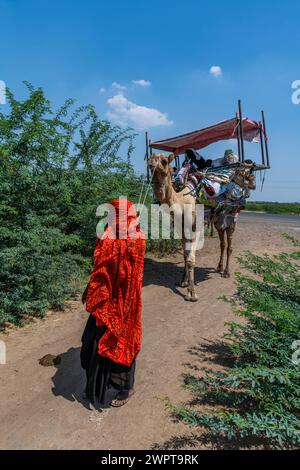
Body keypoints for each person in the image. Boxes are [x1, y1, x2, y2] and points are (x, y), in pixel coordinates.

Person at [80, 199, 146, 409]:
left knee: (120, 345)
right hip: (104, 299)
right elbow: (100, 265)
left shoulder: (136, 237)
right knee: (92, 343)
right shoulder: (109, 232)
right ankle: (95, 385)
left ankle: (126, 388)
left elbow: (130, 272)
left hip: (124, 302)